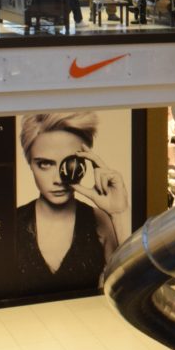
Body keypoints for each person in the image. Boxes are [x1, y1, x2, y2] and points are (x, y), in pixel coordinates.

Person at [16, 111, 131, 296]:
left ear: (86, 161)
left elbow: (128, 291)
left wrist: (120, 213)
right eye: (45, 164)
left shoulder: (100, 222)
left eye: (70, 163)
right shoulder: (10, 223)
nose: (58, 179)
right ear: (30, 163)